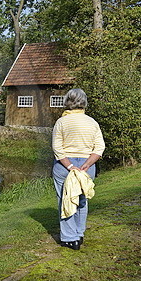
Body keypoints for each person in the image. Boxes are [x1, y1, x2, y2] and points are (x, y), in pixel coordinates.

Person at [52, 88, 105, 250]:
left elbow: (57, 148)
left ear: (67, 102)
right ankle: (79, 233)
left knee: (66, 200)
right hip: (86, 167)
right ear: (84, 103)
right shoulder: (92, 122)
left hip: (64, 166)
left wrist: (69, 166)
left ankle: (70, 238)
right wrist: (87, 165)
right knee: (82, 200)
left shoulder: (61, 122)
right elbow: (99, 147)